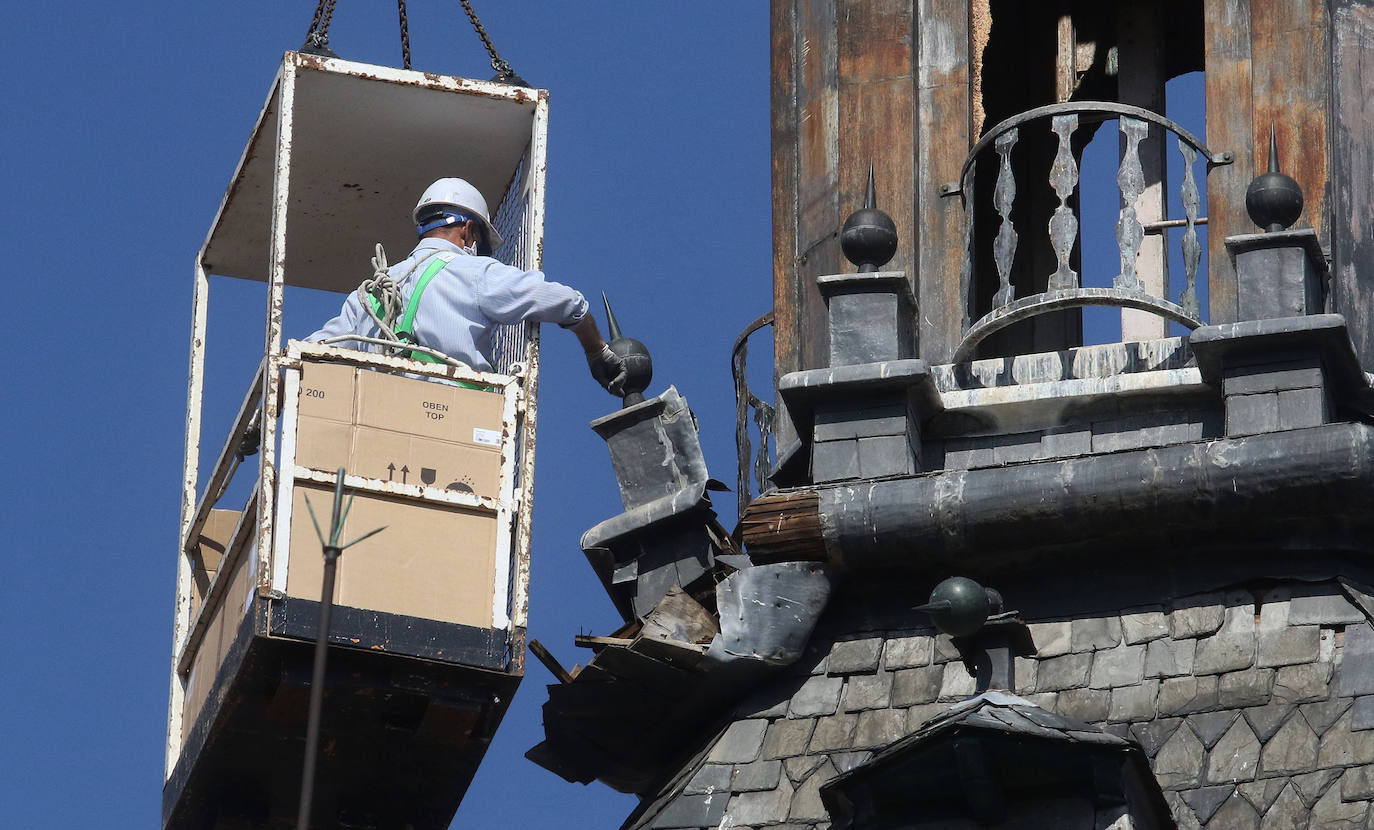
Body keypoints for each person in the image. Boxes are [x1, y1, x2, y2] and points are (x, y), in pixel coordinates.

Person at [308, 177, 627, 395]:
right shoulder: (473, 273)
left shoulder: (368, 294)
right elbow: (568, 302)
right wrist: (596, 349)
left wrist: (263, 411)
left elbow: (313, 353)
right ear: (469, 231)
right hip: (453, 422)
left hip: (377, 427)